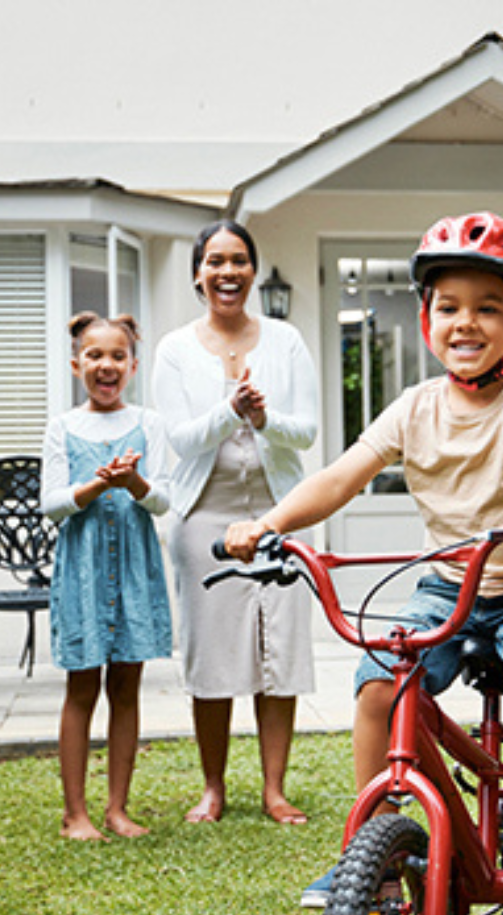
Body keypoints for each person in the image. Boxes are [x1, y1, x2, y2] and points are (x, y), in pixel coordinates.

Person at [226, 211, 503, 915]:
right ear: (425, 319)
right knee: (380, 681)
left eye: (487, 309)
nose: (465, 323)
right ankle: (374, 842)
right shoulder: (414, 408)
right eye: (448, 308)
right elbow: (341, 476)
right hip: (448, 584)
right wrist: (270, 522)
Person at [153, 220, 319, 825]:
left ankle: (275, 790)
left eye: (240, 261)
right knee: (213, 653)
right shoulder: (175, 349)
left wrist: (265, 418)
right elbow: (178, 438)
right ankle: (213, 787)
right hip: (206, 517)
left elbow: (307, 430)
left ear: (253, 269)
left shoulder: (286, 340)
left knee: (278, 649)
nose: (229, 272)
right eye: (216, 261)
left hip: (279, 513)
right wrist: (230, 411)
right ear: (198, 273)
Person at [42, 312, 173, 841]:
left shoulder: (150, 424)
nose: (106, 365)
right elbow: (50, 506)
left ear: (132, 365)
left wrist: (135, 481)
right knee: (81, 687)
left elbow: (164, 501)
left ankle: (117, 809)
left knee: (126, 687)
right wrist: (93, 488)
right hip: (83, 573)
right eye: (94, 355)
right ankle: (76, 812)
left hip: (135, 571)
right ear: (77, 365)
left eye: (117, 356)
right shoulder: (63, 428)